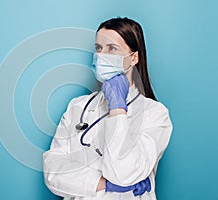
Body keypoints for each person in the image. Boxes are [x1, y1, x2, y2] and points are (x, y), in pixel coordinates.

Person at [43, 17, 172, 200]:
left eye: (111, 48)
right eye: (98, 48)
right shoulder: (77, 107)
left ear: (134, 57)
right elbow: (53, 172)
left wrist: (118, 107)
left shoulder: (155, 114)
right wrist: (106, 184)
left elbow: (123, 173)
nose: (101, 55)